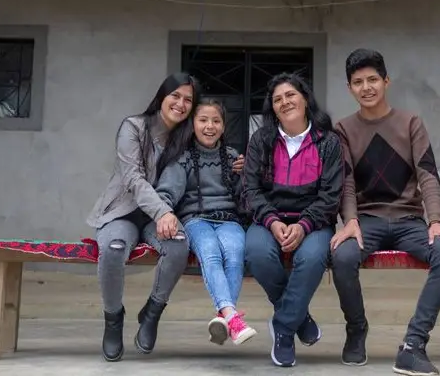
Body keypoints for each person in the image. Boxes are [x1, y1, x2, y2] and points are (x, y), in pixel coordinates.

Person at [85, 73, 243, 362]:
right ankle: (113, 319)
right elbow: (133, 177)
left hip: (160, 218)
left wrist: (237, 165)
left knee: (179, 246)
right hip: (125, 211)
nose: (181, 104)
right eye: (176, 96)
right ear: (162, 97)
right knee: (113, 248)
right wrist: (163, 212)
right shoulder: (134, 127)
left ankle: (153, 312)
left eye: (188, 100)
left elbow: (211, 155)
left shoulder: (185, 136)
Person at [329, 49, 440, 376]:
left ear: (386, 81)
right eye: (358, 82)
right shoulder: (343, 129)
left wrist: (436, 222)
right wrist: (350, 222)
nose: (366, 87)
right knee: (342, 257)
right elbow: (345, 180)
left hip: (409, 221)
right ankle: (357, 329)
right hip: (367, 221)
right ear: (350, 88)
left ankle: (413, 345)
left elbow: (427, 173)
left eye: (373, 79)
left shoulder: (411, 123)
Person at [242, 72, 343, 368]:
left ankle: (284, 329)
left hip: (313, 223)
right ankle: (299, 316)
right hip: (268, 220)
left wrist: (304, 225)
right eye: (277, 99)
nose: (285, 102)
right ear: (272, 108)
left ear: (305, 99)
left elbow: (331, 195)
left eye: (290, 95)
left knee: (312, 259)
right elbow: (251, 189)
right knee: (257, 253)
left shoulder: (328, 142)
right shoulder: (261, 140)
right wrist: (272, 222)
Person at [153, 97, 258, 346]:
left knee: (234, 254)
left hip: (229, 219)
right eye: (203, 120)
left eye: (216, 121)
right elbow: (166, 192)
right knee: (211, 253)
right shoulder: (184, 157)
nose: (209, 126)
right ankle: (232, 317)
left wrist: (244, 173)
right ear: (192, 124)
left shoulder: (232, 157)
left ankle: (224, 318)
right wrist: (162, 213)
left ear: (223, 126)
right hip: (196, 220)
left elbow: (244, 194)